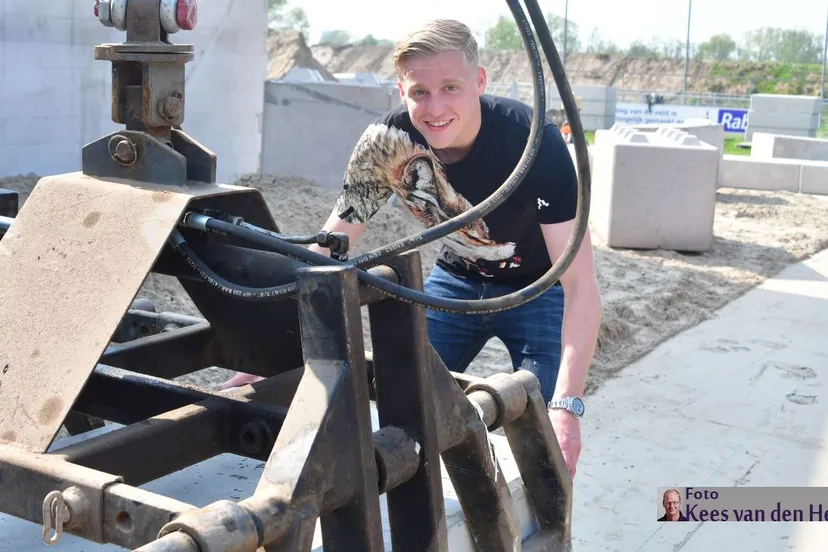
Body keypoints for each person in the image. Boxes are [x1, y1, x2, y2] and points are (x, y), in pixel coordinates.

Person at [221, 19, 602, 478]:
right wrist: (268, 352)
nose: (435, 107)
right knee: (401, 413)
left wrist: (567, 408)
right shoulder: (388, 145)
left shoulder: (533, 143)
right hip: (455, 282)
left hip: (538, 290)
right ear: (400, 90)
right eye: (419, 92)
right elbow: (327, 251)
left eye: (450, 88)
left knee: (543, 443)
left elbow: (581, 286)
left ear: (479, 82)